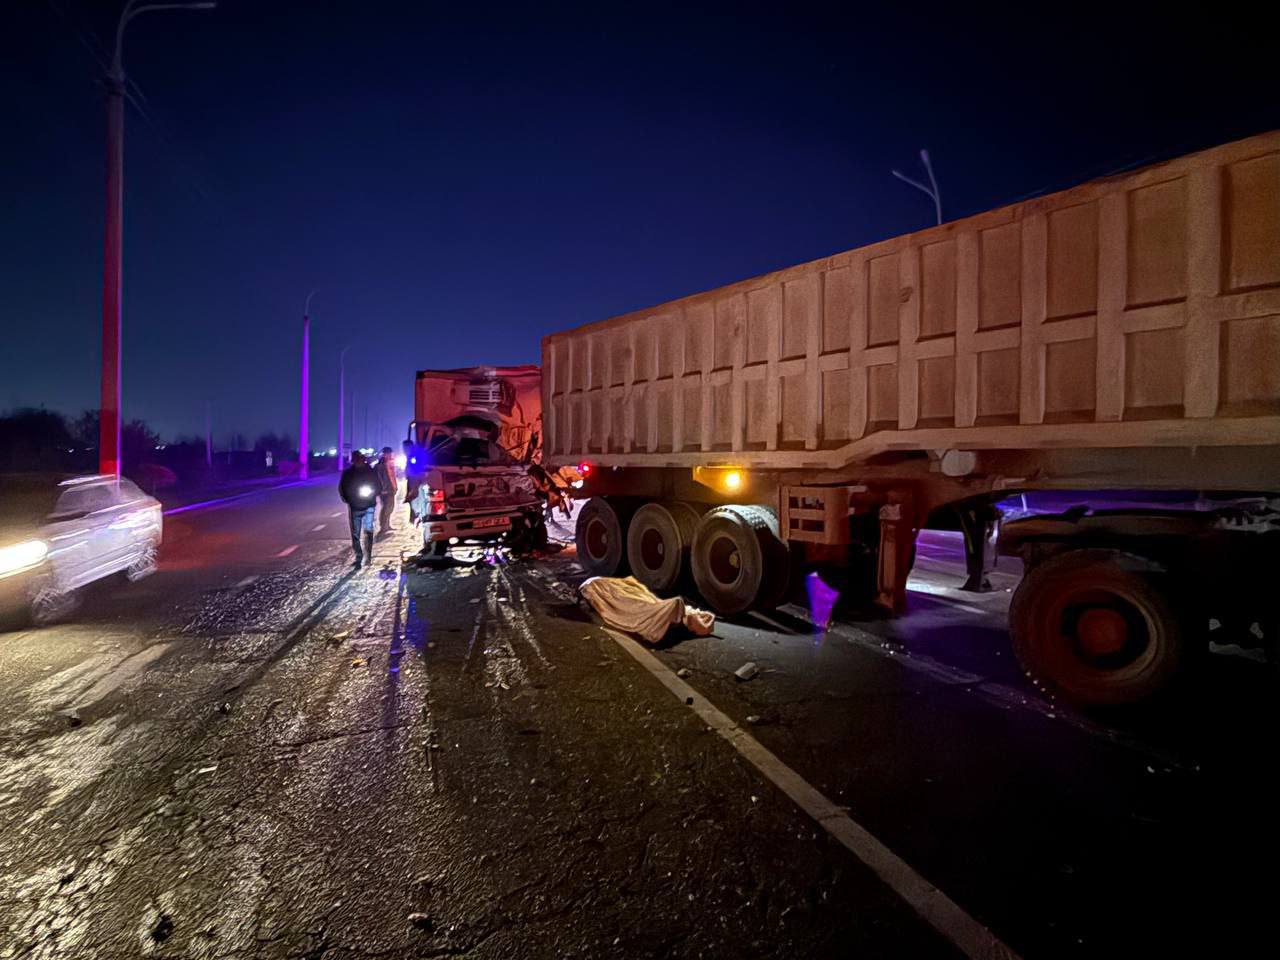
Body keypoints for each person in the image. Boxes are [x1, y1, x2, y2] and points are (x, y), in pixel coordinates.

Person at [338, 450, 379, 569]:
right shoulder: (348, 473)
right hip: (355, 506)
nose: (358, 462)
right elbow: (342, 488)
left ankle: (368, 556)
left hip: (369, 505)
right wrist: (349, 499)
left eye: (360, 459)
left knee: (368, 531)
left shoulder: (370, 471)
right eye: (356, 460)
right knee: (356, 534)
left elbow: (378, 486)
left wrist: (373, 493)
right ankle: (358, 556)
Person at [375, 446, 398, 536]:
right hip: (385, 490)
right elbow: (380, 478)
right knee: (386, 508)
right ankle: (382, 527)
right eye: (388, 453)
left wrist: (395, 487)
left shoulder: (389, 463)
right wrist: (383, 489)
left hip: (391, 488)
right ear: (385, 454)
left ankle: (387, 525)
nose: (390, 455)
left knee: (390, 507)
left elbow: (392, 476)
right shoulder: (381, 465)